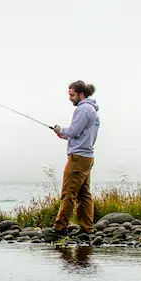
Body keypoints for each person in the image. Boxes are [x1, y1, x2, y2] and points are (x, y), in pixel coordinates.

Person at [49, 81, 100, 234]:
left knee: (68, 193)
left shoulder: (83, 109)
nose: (70, 98)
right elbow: (82, 134)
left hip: (78, 157)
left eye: (72, 95)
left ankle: (59, 228)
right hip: (87, 156)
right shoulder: (92, 110)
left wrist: (60, 130)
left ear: (81, 94)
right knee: (84, 194)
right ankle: (87, 228)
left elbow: (74, 131)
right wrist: (63, 134)